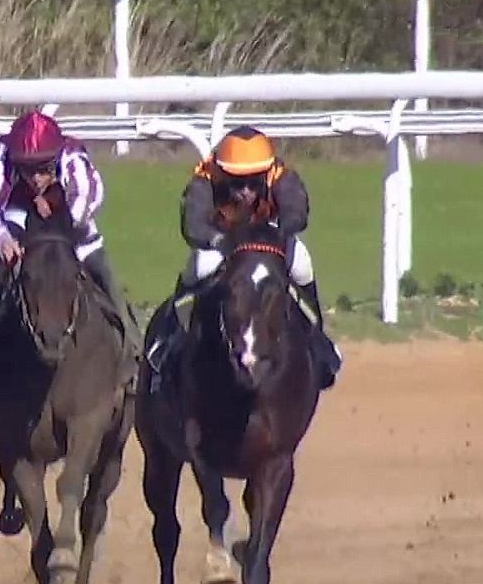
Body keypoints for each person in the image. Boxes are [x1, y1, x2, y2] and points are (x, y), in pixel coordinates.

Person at [144, 125, 342, 389]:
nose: (247, 190)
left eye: (254, 181)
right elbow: (193, 224)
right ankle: (169, 341)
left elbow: (297, 212)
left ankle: (317, 340)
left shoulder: (281, 175)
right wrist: (220, 241)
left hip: (269, 241)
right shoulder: (205, 177)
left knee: (302, 264)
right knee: (200, 267)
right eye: (238, 182)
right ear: (222, 173)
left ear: (266, 172)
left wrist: (278, 233)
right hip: (223, 242)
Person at [0, 109, 139, 354]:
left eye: (43, 170)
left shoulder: (72, 155)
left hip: (70, 223)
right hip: (19, 215)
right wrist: (3, 237)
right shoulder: (2, 154)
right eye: (27, 171)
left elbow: (87, 196)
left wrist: (57, 212)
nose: (36, 179)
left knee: (106, 278)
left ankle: (134, 350)